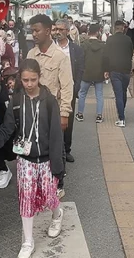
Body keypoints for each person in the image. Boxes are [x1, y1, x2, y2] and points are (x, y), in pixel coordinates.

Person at [0, 59, 65, 258]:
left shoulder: (49, 101)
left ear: (39, 77)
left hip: (47, 157)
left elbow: (56, 134)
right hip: (24, 158)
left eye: (33, 79)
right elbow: (8, 127)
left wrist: (58, 166)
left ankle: (57, 215)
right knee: (26, 199)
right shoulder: (16, 101)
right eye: (25, 80)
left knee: (50, 196)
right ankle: (28, 241)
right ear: (20, 79)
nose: (30, 84)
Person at [26, 14, 73, 199]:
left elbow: (67, 87)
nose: (34, 34)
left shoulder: (60, 57)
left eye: (37, 30)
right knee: (36, 146)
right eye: (32, 31)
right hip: (33, 110)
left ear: (47, 31)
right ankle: (39, 181)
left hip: (53, 111)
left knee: (56, 148)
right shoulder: (31, 54)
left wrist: (64, 114)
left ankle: (58, 183)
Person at [52, 18, 83, 164]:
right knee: (52, 122)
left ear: (67, 30)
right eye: (55, 29)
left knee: (67, 123)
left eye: (60, 29)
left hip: (68, 92)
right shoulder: (50, 48)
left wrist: (74, 90)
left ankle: (66, 149)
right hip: (52, 92)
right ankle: (54, 150)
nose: (57, 32)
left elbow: (80, 71)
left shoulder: (76, 50)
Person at [103, 21, 134, 127]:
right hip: (126, 70)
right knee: (124, 91)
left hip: (114, 70)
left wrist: (106, 70)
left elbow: (106, 56)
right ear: (123, 28)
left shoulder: (110, 39)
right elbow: (131, 53)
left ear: (114, 28)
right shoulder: (128, 39)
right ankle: (122, 111)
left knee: (118, 94)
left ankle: (121, 118)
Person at [75, 24, 107, 123]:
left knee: (82, 94)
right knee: (99, 95)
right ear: (98, 32)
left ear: (89, 31)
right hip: (99, 73)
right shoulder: (103, 45)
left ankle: (80, 114)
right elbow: (105, 60)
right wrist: (106, 71)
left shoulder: (84, 44)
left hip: (86, 73)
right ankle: (99, 116)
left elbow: (80, 59)